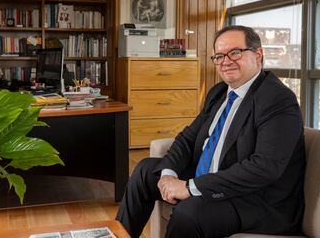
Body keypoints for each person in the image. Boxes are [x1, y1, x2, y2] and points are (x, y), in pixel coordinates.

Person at [116, 25, 305, 238]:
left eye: (235, 52)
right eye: (219, 56)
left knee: (189, 213)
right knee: (145, 170)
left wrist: (190, 187)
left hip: (254, 199)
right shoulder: (219, 93)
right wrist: (169, 175)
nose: (225, 61)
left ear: (258, 54)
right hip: (213, 177)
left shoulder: (277, 99)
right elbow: (188, 139)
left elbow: (264, 168)